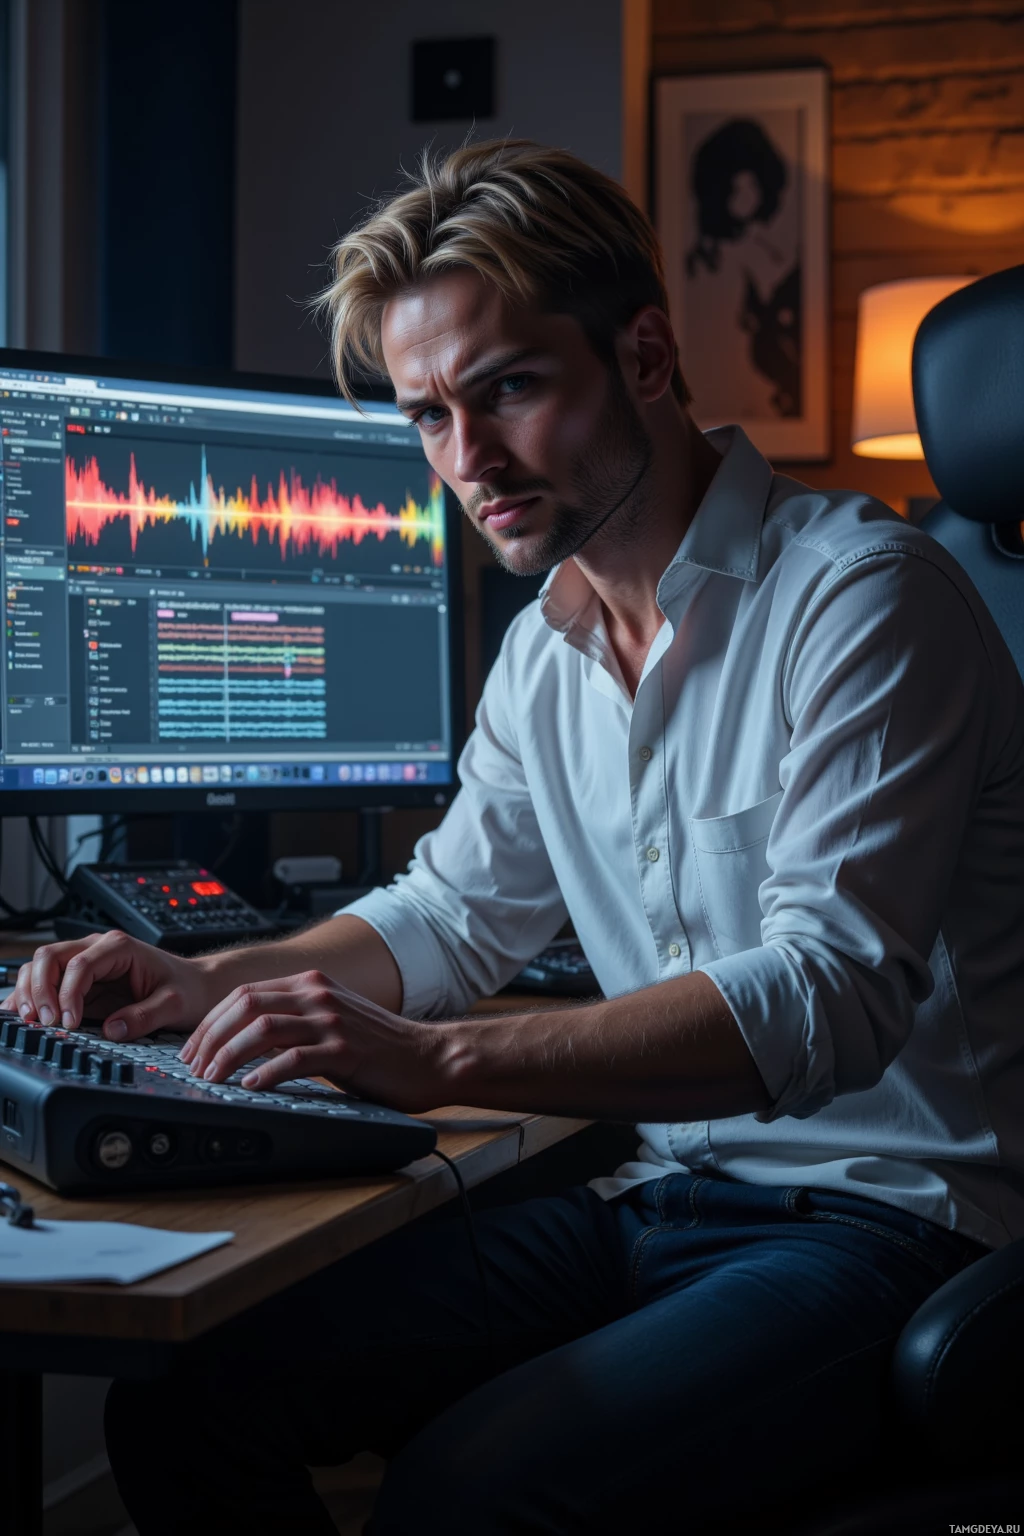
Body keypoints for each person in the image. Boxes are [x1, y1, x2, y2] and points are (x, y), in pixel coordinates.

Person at [10, 140, 1024, 1534]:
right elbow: (450, 913)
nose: (466, 461)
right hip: (667, 1193)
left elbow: (824, 998)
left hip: (894, 1226)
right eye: (430, 415)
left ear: (648, 356)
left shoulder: (862, 601)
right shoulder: (549, 652)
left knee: (467, 1496)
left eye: (511, 392)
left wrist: (436, 1059)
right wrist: (209, 983)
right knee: (189, 1407)